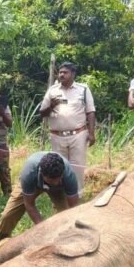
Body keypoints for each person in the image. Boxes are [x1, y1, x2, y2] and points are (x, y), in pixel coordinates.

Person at [39, 62, 96, 194]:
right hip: (57, 136)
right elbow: (42, 113)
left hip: (78, 134)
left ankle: (77, 195)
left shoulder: (83, 89)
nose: (61, 75)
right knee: (59, 166)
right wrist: (51, 106)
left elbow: (90, 112)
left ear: (73, 74)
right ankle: (61, 195)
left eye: (65, 72)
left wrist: (92, 133)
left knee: (77, 167)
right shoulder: (53, 90)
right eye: (60, 72)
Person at [0, 152, 80, 241]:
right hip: (33, 182)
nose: (55, 183)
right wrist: (42, 229)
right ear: (42, 174)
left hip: (59, 189)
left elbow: (74, 208)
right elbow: (29, 205)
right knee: (8, 215)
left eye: (58, 179)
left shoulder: (69, 175)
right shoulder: (29, 173)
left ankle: (62, 238)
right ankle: (2, 240)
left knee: (65, 212)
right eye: (52, 181)